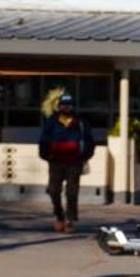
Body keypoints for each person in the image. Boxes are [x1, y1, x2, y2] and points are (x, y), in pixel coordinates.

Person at [38, 93, 96, 232]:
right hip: (56, 161)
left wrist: (85, 156)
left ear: (72, 106)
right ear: (59, 106)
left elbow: (89, 141)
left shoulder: (81, 122)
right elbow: (44, 140)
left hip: (74, 162)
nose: (66, 107)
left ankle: (70, 220)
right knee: (53, 190)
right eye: (63, 104)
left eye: (69, 104)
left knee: (72, 192)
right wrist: (46, 155)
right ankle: (59, 216)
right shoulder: (51, 121)